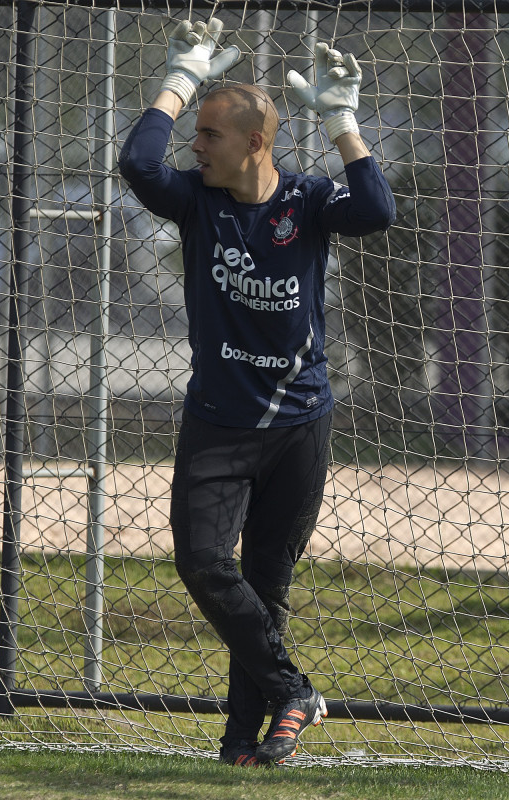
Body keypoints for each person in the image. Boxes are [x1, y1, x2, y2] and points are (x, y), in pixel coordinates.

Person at [118, 18, 395, 767]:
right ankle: (294, 690)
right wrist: (180, 80)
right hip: (218, 421)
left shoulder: (305, 200)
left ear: (254, 144)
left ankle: (244, 741)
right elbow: (137, 164)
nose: (194, 146)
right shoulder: (197, 202)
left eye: (209, 134)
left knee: (266, 586)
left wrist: (343, 123)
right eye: (196, 132)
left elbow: (376, 209)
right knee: (204, 561)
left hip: (301, 422)